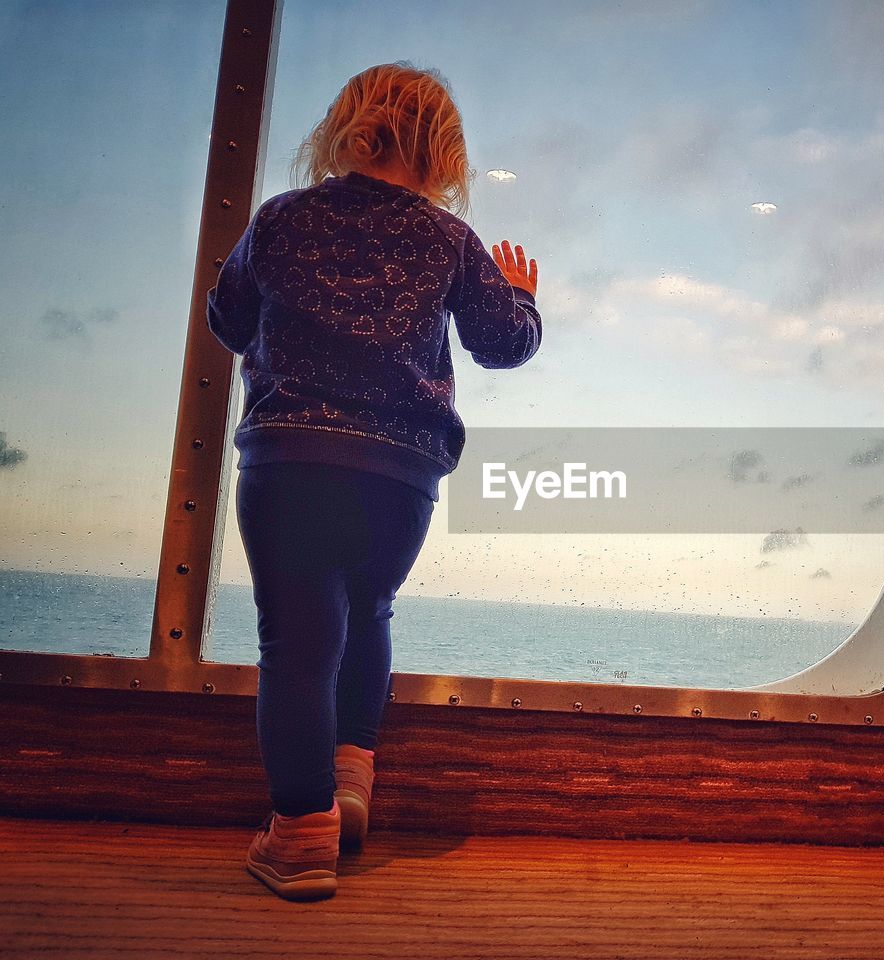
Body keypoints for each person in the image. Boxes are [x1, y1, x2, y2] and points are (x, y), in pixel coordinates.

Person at [206, 61, 541, 901]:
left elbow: (228, 318)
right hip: (399, 478)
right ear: (444, 157)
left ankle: (301, 836)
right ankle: (352, 775)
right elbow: (501, 346)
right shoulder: (448, 240)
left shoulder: (282, 219)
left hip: (290, 462)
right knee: (369, 611)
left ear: (343, 131)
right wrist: (526, 298)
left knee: (296, 642)